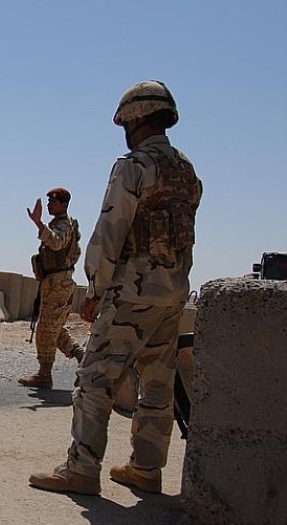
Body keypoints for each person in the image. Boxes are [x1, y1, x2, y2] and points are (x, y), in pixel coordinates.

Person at [29, 80, 202, 496]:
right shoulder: (186, 171)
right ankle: (146, 469)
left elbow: (110, 233)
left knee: (95, 378)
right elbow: (186, 240)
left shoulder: (133, 166)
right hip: (173, 290)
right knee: (157, 382)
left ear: (136, 117)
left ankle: (81, 468)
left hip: (133, 290)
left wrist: (95, 290)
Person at [19, 187, 84, 389]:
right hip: (53, 282)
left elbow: (56, 243)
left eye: (53, 203)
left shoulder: (64, 225)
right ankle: (82, 356)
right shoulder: (58, 223)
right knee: (54, 327)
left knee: (46, 329)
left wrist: (38, 223)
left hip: (59, 283)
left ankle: (45, 375)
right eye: (48, 202)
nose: (49, 205)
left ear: (64, 205)